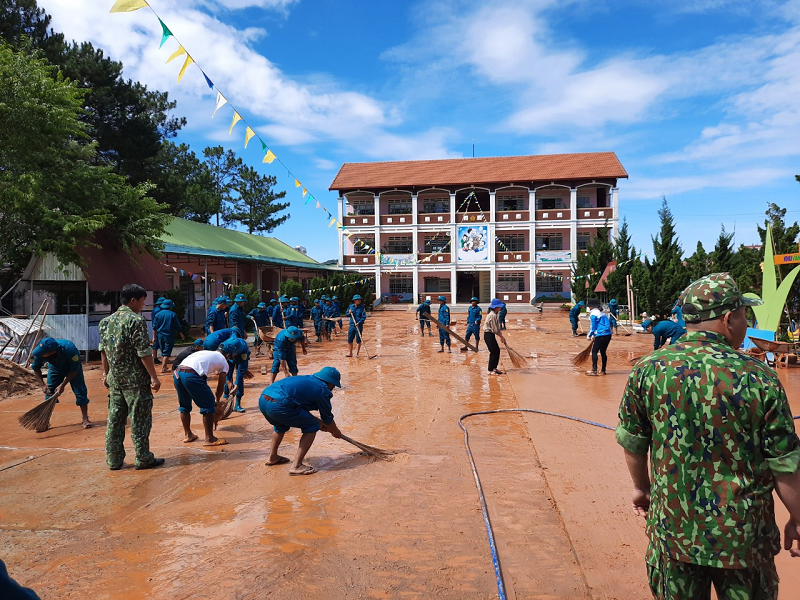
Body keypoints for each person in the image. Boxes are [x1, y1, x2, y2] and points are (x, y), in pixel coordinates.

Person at [616, 272, 800, 599]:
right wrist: (798, 517)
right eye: (745, 314)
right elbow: (785, 464)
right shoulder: (760, 378)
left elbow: (633, 441)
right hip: (743, 544)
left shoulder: (649, 369)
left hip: (673, 537)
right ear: (729, 319)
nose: (746, 322)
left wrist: (641, 489)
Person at [99, 284, 163, 471]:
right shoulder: (135, 321)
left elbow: (103, 352)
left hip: (115, 380)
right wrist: (154, 377)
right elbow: (144, 352)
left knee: (115, 420)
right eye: (143, 301)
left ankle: (114, 460)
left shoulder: (105, 322)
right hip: (135, 381)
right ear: (133, 300)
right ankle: (143, 458)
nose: (143, 304)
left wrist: (106, 373)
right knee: (139, 420)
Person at [259, 366, 343, 476]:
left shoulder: (308, 380)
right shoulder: (322, 389)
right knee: (312, 426)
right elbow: (328, 419)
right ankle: (296, 466)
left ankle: (273, 457)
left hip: (264, 399)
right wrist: (335, 431)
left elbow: (298, 406)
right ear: (330, 383)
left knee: (280, 426)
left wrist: (320, 421)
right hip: (280, 404)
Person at [30, 337, 91, 429]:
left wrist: (63, 385)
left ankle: (85, 419)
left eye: (43, 353)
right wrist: (42, 385)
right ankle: (45, 421)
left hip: (73, 370)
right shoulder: (41, 352)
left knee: (80, 391)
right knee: (49, 392)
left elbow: (74, 370)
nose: (41, 354)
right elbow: (36, 368)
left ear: (52, 352)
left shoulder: (69, 349)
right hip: (55, 368)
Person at [173, 348, 229, 446]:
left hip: (177, 373)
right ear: (227, 355)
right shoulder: (224, 360)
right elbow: (221, 384)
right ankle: (210, 439)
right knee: (208, 405)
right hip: (191, 375)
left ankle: (188, 435)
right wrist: (217, 400)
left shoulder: (206, 353)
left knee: (184, 406)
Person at [152, 299, 185, 372]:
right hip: (168, 335)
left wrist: (154, 337)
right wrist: (181, 334)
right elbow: (177, 326)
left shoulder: (158, 314)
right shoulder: (172, 314)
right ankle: (163, 368)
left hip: (159, 335)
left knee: (163, 351)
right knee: (167, 352)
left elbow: (154, 327)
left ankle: (165, 366)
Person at [219, 337, 250, 413]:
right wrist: (228, 381)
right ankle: (226, 399)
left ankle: (237, 404)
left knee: (239, 380)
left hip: (240, 360)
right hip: (229, 361)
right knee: (227, 378)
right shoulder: (224, 346)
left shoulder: (243, 352)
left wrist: (236, 386)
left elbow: (241, 372)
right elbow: (224, 369)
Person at [586, 298, 612, 376]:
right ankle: (603, 370)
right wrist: (594, 335)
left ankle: (594, 370)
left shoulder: (593, 314)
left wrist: (589, 335)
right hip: (608, 334)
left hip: (600, 335)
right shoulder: (602, 313)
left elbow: (593, 327)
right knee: (603, 352)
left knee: (594, 352)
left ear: (591, 306)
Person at [484, 299, 506, 375]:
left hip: (490, 334)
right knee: (494, 352)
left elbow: (496, 328)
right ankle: (490, 370)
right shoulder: (492, 315)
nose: (501, 308)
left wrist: (501, 335)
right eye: (500, 307)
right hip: (488, 334)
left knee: (497, 351)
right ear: (496, 307)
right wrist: (501, 337)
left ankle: (494, 368)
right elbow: (495, 329)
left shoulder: (494, 314)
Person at [150, 296, 166, 365]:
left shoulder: (155, 309)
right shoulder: (158, 311)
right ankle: (160, 359)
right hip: (159, 329)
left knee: (156, 344)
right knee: (159, 344)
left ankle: (155, 358)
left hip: (156, 328)